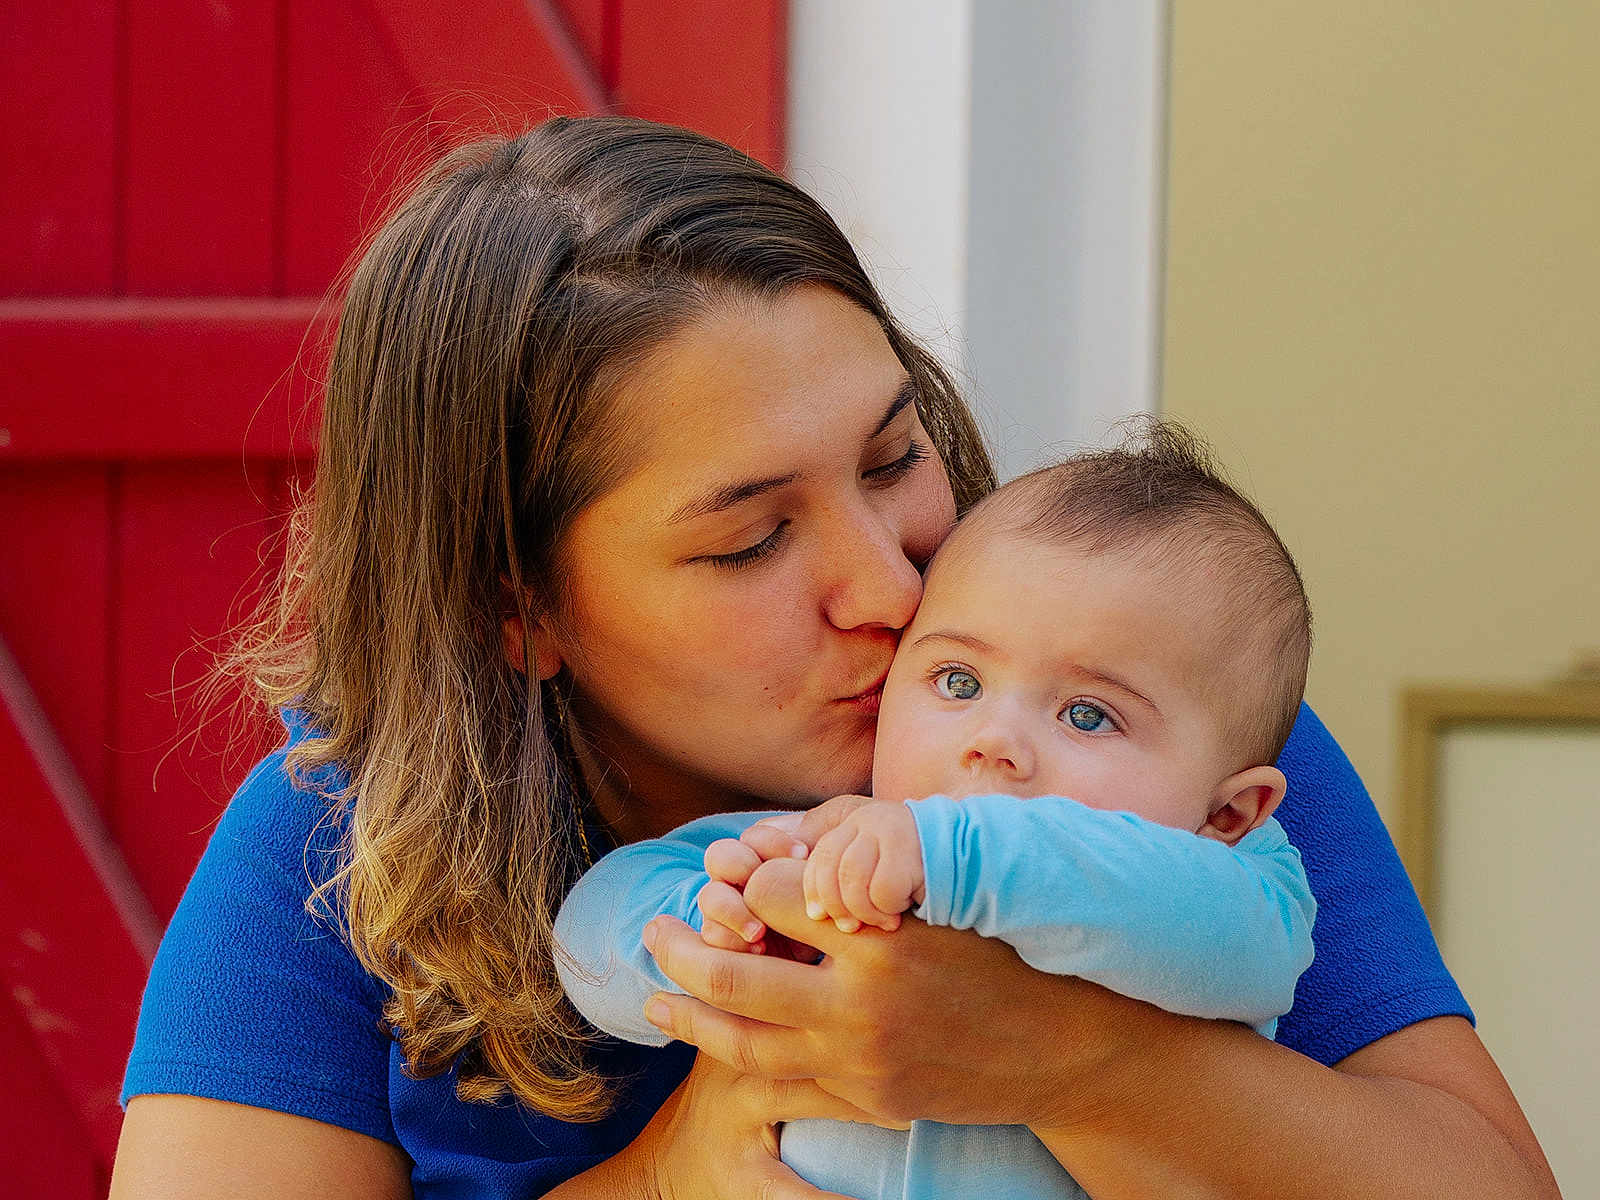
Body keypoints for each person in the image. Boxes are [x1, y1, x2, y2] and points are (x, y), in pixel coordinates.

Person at [109, 117, 1559, 1200]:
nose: (890, 583)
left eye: (893, 455)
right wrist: (686, 1169)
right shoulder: (346, 842)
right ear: (516, 607)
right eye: (749, 541)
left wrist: (1073, 1059)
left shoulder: (1124, 733)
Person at [553, 424, 1321, 1199]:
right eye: (958, 682)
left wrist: (950, 854)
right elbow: (591, 937)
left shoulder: (1238, 885)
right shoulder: (824, 841)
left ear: (1231, 811)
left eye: (1088, 715)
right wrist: (709, 927)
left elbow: (1211, 933)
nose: (994, 740)